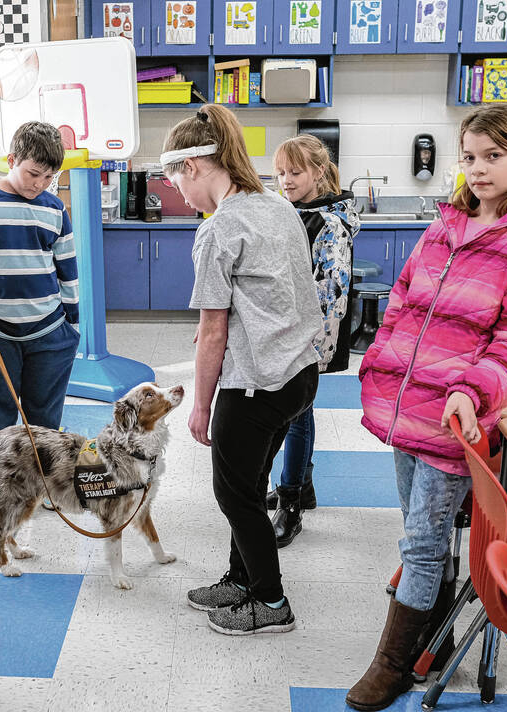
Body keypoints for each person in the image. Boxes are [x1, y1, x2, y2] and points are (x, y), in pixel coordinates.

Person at [347, 104, 507, 711]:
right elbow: (401, 298)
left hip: (452, 421)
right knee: (423, 536)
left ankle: (393, 664)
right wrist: (378, 358)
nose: (479, 169)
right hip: (404, 406)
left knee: (421, 544)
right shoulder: (444, 226)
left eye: (494, 156)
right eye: (469, 157)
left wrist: (472, 391)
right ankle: (434, 641)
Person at [165, 105, 322, 635]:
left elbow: (213, 330)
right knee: (251, 485)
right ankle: (242, 580)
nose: (181, 196)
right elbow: (277, 290)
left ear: (192, 167)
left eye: (177, 183)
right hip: (298, 374)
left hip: (256, 382)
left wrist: (201, 405)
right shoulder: (277, 205)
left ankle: (271, 602)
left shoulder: (218, 229)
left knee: (235, 495)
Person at [0, 121, 79, 436]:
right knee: (0, 424)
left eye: (49, 177)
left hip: (49, 331)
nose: (39, 184)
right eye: (33, 174)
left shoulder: (55, 208)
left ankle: (41, 471)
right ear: (11, 161)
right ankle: (0, 471)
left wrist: (72, 327)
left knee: (46, 426)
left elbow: (67, 269)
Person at [267, 135, 361, 547]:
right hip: (289, 332)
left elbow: (331, 295)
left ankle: (291, 505)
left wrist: (309, 348)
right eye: (280, 173)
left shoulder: (328, 224)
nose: (285, 181)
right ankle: (301, 487)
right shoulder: (296, 212)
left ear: (318, 172)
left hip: (309, 338)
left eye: (295, 172)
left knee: (296, 416)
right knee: (298, 414)